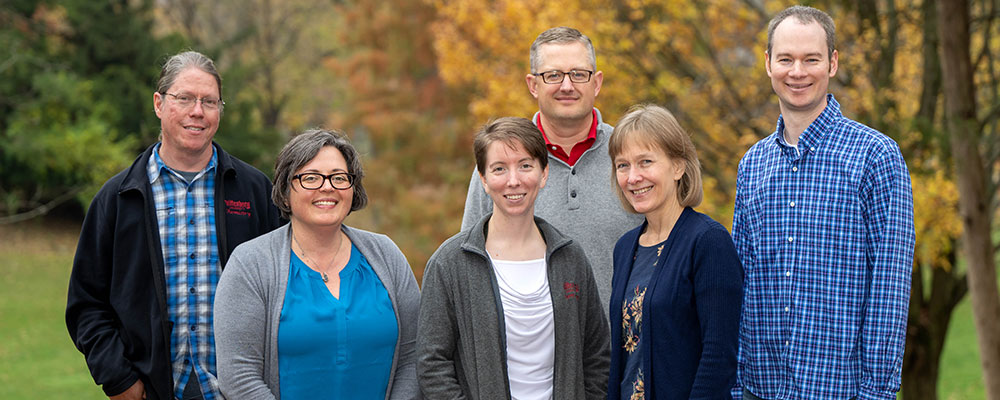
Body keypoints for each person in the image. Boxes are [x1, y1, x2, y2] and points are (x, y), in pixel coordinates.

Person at [66, 51, 283, 400]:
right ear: (159, 103)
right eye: (184, 98)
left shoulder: (256, 191)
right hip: (151, 389)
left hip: (242, 390)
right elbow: (86, 304)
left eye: (209, 101)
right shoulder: (117, 199)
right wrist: (119, 380)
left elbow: (286, 289)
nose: (197, 111)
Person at [732, 6, 915, 399]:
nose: (797, 72)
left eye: (811, 58)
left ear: (832, 63)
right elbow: (741, 280)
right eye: (786, 59)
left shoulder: (875, 157)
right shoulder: (752, 164)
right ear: (768, 64)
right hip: (757, 387)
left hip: (840, 390)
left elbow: (890, 287)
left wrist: (876, 392)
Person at [213, 129, 421, 399]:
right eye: (310, 178)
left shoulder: (386, 254)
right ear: (285, 191)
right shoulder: (251, 264)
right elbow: (238, 376)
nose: (327, 187)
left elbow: (414, 355)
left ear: (352, 188)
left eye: (339, 177)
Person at [419, 117, 610, 399]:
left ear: (544, 174)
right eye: (499, 169)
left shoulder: (570, 259)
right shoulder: (450, 263)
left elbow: (597, 356)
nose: (513, 180)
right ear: (483, 180)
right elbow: (431, 363)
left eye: (525, 165)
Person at [461, 27, 643, 310]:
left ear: (597, 82)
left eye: (578, 74)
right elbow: (469, 263)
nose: (567, 86)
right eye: (553, 75)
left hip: (622, 349)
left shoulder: (631, 157)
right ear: (533, 85)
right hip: (525, 348)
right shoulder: (501, 167)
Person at [606, 104, 743, 400]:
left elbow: (719, 357)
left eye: (646, 162)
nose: (633, 177)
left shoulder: (708, 242)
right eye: (623, 165)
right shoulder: (625, 248)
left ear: (678, 166)